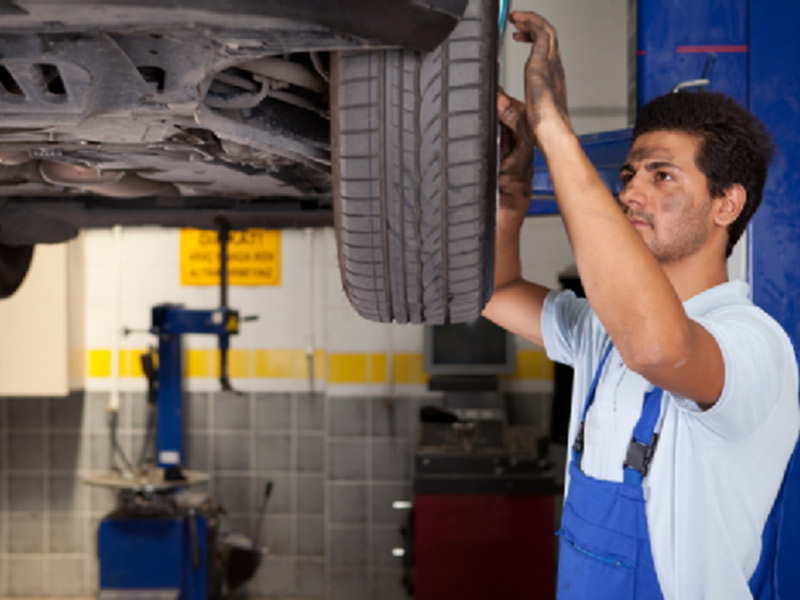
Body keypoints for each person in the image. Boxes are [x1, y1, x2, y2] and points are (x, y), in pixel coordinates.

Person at [483, 10, 800, 600]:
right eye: (630, 174)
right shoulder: (604, 330)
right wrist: (513, 192)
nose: (630, 191)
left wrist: (554, 128)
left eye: (663, 177)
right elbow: (496, 292)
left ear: (726, 205)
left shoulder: (756, 345)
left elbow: (658, 347)